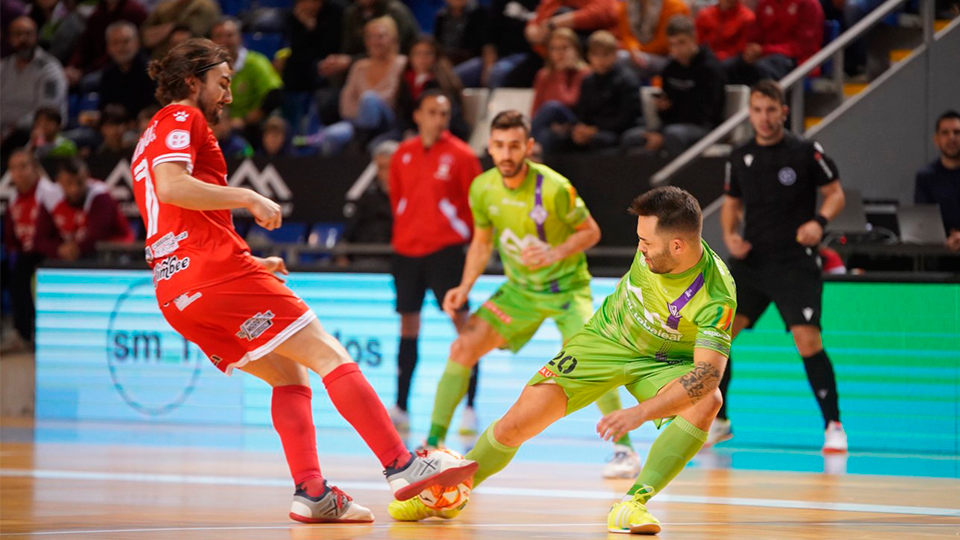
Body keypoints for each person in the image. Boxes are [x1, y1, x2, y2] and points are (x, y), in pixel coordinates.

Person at [131, 38, 477, 523]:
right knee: (328, 354)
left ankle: (312, 493)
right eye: (222, 83)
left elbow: (174, 213)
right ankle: (403, 466)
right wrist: (248, 197)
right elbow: (172, 188)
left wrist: (247, 258)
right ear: (193, 81)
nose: (229, 95)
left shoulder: (149, 134)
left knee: (288, 374)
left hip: (176, 290)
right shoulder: (182, 118)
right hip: (212, 274)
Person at [390, 185, 737, 535]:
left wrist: (641, 412)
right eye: (639, 241)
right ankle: (451, 492)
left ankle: (632, 503)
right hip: (606, 340)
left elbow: (707, 375)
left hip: (663, 362)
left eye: (646, 244)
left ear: (678, 246)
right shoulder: (656, 250)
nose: (640, 250)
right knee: (516, 424)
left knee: (708, 400)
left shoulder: (716, 295)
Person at [418, 110, 642, 479]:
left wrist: (554, 253)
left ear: (529, 147)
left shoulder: (554, 187)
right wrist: (464, 287)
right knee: (462, 348)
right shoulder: (482, 187)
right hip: (520, 292)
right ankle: (431, 447)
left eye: (514, 146)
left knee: (594, 359)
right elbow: (481, 242)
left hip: (567, 289)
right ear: (489, 146)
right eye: (500, 146)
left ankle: (625, 451)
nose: (506, 154)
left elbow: (591, 232)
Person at [717, 80, 847, 452]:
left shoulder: (805, 151)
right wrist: (730, 236)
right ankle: (720, 421)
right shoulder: (739, 155)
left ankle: (833, 425)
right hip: (752, 261)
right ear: (750, 113)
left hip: (794, 261)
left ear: (783, 111)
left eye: (770, 110)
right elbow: (731, 202)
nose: (764, 117)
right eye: (757, 110)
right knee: (718, 339)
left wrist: (818, 223)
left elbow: (835, 193)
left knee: (808, 341)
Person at [386, 90, 481, 433]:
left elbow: (475, 206)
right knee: (408, 328)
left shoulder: (461, 154)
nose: (438, 119)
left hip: (446, 252)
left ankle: (470, 408)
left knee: (465, 328)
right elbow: (398, 198)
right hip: (407, 252)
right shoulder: (402, 155)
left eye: (444, 113)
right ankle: (401, 406)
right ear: (417, 115)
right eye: (432, 112)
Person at [306, 17, 407, 155]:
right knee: (330, 135)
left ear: (393, 38)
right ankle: (334, 175)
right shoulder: (359, 66)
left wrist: (367, 104)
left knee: (369, 99)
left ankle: (361, 143)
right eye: (370, 37)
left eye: (381, 36)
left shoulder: (401, 64)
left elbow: (392, 99)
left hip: (389, 124)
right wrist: (362, 114)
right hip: (356, 124)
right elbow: (346, 103)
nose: (375, 41)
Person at [631, 16, 725, 156]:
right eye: (672, 44)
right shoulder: (669, 69)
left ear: (694, 38)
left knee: (673, 135)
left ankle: (681, 178)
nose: (677, 49)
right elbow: (667, 113)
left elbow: (706, 114)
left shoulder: (710, 69)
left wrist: (662, 135)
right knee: (632, 138)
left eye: (681, 43)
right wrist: (663, 108)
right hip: (673, 126)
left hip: (704, 127)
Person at [537, 30, 642, 153]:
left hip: (617, 130)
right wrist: (580, 128)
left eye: (605, 55)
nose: (600, 60)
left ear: (615, 55)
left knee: (601, 140)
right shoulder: (588, 81)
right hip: (592, 129)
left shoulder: (627, 80)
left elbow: (626, 118)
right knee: (556, 138)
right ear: (589, 56)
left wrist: (594, 130)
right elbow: (583, 112)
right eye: (596, 55)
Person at [0, 148, 62, 353]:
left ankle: (26, 334)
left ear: (35, 169)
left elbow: (64, 228)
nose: (19, 173)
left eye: (24, 166)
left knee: (20, 277)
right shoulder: (15, 198)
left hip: (51, 253)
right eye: (13, 169)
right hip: (27, 254)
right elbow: (12, 238)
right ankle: (17, 331)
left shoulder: (50, 193)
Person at [0, 16, 68, 149]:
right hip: (3, 130)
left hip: (31, 130)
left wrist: (8, 132)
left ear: (36, 36)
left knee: (26, 134)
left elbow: (46, 112)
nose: (23, 39)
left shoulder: (49, 69)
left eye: (28, 34)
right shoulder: (3, 67)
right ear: (10, 38)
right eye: (18, 34)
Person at [209, 17, 283, 138]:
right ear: (211, 41)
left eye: (229, 35)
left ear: (239, 38)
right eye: (219, 36)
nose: (224, 41)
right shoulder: (207, 69)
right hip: (219, 124)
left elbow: (274, 95)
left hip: (252, 126)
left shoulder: (256, 62)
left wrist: (244, 120)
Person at [49, 157, 134, 261]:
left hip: (113, 252)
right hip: (76, 253)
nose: (75, 189)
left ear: (87, 177)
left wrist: (74, 248)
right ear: (59, 181)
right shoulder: (52, 197)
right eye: (69, 183)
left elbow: (97, 236)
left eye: (79, 182)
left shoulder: (100, 195)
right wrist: (59, 249)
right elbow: (41, 238)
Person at [723, 0, 824, 86]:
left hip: (797, 60)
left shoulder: (809, 4)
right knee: (726, 68)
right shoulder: (765, 3)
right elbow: (756, 37)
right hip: (766, 56)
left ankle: (769, 107)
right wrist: (750, 51)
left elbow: (804, 47)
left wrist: (764, 50)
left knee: (761, 69)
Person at [319, 0, 420, 80]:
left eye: (380, 36)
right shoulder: (351, 14)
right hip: (362, 69)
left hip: (397, 70)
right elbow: (348, 50)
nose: (374, 40)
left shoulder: (395, 11)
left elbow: (394, 51)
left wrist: (350, 61)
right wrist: (337, 61)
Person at [395, 35, 470, 141]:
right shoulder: (404, 80)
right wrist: (407, 132)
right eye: (417, 53)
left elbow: (451, 118)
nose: (422, 58)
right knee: (380, 146)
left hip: (440, 134)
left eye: (427, 53)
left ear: (436, 57)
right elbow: (401, 113)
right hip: (407, 131)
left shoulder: (443, 83)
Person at [64, 0, 148, 88]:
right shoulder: (98, 13)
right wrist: (73, 66)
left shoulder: (134, 11)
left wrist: (84, 71)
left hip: (124, 66)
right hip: (98, 67)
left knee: (88, 83)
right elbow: (84, 45)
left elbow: (125, 51)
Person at [529, 29, 590, 145]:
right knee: (546, 135)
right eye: (554, 49)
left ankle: (523, 144)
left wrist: (560, 74)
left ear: (576, 50)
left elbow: (570, 101)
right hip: (552, 126)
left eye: (564, 48)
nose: (559, 53)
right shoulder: (543, 75)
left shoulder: (585, 74)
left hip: (575, 124)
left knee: (552, 107)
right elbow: (536, 111)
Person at [914, 110, 960, 251]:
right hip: (937, 252)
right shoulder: (925, 176)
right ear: (936, 139)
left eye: (957, 132)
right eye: (945, 133)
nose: (951, 138)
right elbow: (923, 219)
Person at [98, 21, 158, 120]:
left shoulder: (150, 71)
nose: (121, 48)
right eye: (115, 43)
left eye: (126, 42)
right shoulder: (108, 74)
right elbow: (103, 106)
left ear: (137, 42)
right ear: (108, 47)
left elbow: (152, 108)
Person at [615, 0, 691, 79]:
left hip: (668, 57)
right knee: (617, 58)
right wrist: (633, 50)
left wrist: (639, 51)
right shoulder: (626, 6)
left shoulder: (674, 5)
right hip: (641, 56)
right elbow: (627, 35)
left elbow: (667, 42)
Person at [140, 0, 221, 59]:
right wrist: (172, 27)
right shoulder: (164, 5)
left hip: (193, 60)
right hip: (160, 61)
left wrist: (166, 30)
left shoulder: (204, 6)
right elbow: (146, 36)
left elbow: (185, 35)